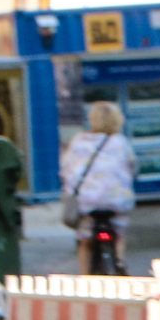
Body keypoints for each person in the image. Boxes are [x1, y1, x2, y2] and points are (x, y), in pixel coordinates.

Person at [60, 100, 137, 273]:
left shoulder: (79, 141)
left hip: (87, 202)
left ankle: (85, 275)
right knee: (118, 233)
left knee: (85, 240)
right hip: (116, 202)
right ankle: (119, 261)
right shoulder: (121, 142)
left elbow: (66, 168)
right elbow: (132, 166)